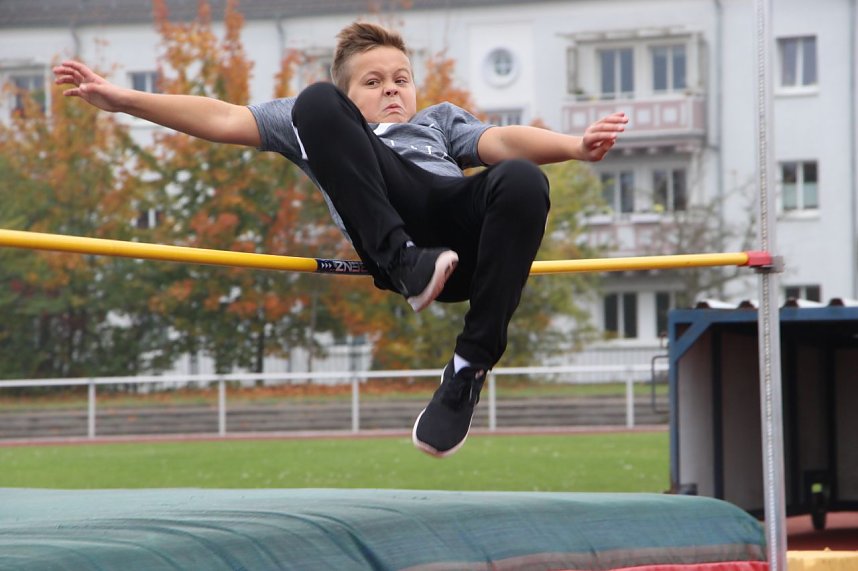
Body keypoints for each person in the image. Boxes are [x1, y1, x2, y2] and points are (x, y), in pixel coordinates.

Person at [54, 21, 626, 458]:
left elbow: (502, 142)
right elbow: (223, 118)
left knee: (523, 178)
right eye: (373, 83)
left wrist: (574, 147)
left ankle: (468, 366)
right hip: (395, 240)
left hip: (458, 239)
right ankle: (404, 261)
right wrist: (124, 99)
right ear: (352, 95)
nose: (392, 91)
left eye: (401, 79)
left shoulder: (437, 122)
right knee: (313, 101)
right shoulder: (320, 122)